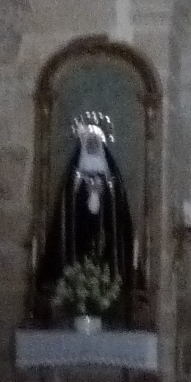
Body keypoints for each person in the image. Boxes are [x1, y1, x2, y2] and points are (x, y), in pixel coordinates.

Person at [40, 110, 136, 319]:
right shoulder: (73, 178)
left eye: (95, 141)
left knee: (104, 258)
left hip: (105, 242)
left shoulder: (111, 178)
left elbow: (118, 212)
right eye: (88, 141)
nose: (92, 145)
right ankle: (73, 289)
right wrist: (82, 189)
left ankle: (110, 292)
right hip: (79, 238)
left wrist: (103, 191)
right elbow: (66, 209)